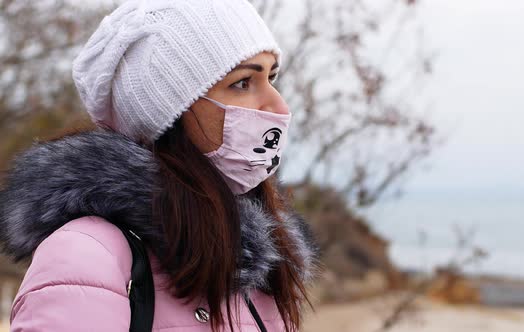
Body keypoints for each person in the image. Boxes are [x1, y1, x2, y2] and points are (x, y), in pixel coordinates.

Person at [0, 0, 322, 331]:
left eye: (272, 77)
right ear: (166, 113)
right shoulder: (87, 255)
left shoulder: (258, 264)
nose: (278, 105)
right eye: (242, 83)